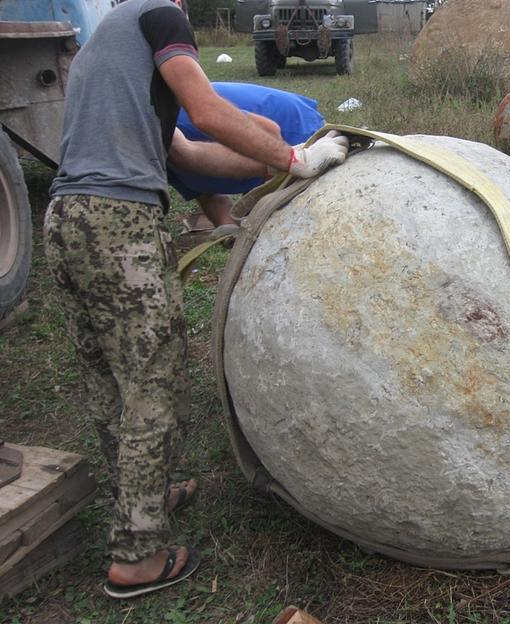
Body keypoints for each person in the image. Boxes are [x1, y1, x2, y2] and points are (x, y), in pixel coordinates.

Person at [43, 0, 348, 599]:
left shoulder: (104, 41)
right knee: (154, 385)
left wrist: (274, 165)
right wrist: (297, 156)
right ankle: (135, 557)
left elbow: (184, 152)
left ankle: (144, 499)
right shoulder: (161, 15)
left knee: (111, 381)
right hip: (117, 222)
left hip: (65, 217)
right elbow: (207, 110)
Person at [169, 81, 326, 229]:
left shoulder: (182, 121)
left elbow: (270, 132)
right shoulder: (159, 160)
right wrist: (229, 230)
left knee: (308, 221)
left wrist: (266, 204)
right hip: (270, 154)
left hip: (293, 129)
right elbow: (206, 194)